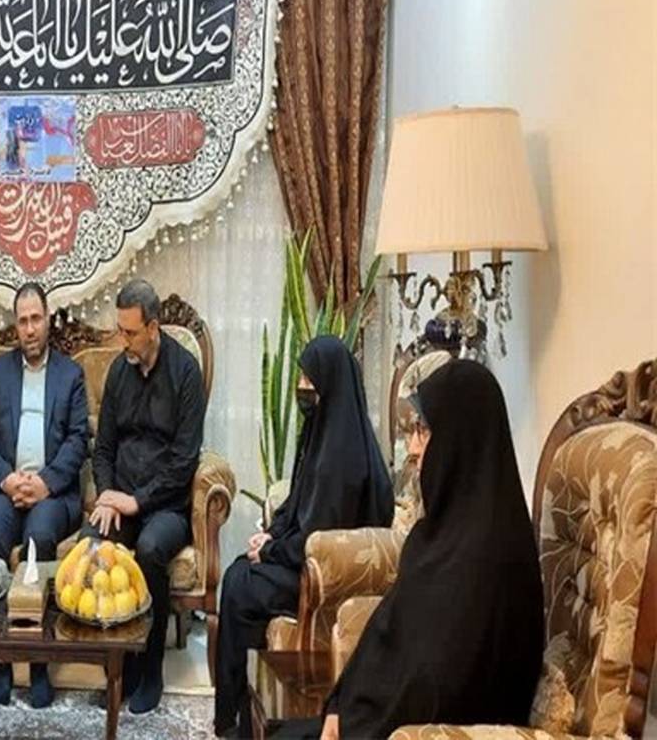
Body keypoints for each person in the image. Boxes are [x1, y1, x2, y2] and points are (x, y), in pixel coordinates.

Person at [269, 360, 544, 739]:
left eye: (424, 431)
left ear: (461, 439)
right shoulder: (439, 534)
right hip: (380, 719)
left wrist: (351, 725)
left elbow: (443, 690)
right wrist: (339, 705)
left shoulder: (492, 560)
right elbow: (387, 637)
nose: (413, 449)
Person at [214, 336, 394, 737]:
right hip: (302, 561)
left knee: (240, 586)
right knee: (241, 573)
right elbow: (296, 504)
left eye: (309, 380)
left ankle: (236, 720)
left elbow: (320, 539)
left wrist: (272, 551)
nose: (302, 388)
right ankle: (239, 713)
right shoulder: (322, 435)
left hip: (327, 582)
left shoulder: (342, 461)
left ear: (330, 384)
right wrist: (270, 535)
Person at [86, 279, 207, 715]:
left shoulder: (185, 373)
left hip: (165, 504)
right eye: (119, 330)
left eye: (130, 332)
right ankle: (118, 666)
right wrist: (106, 495)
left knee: (152, 549)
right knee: (94, 544)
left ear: (153, 328)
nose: (123, 340)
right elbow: (103, 448)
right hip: (121, 497)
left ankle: (150, 667)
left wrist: (137, 501)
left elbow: (184, 461)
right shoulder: (119, 371)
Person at [0, 282, 90, 707]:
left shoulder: (70, 375)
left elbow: (78, 440)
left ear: (48, 319)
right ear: (15, 326)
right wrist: (6, 480)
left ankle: (38, 660)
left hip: (52, 493)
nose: (30, 328)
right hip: (6, 488)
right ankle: (1, 658)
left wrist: (45, 483)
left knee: (39, 540)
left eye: (36, 319)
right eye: (22, 321)